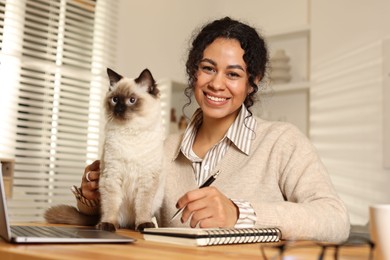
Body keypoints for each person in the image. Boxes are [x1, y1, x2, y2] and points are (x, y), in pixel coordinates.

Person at [75, 17, 350, 243]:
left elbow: (335, 219)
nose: (217, 84)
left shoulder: (282, 142)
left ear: (252, 82)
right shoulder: (163, 148)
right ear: (194, 73)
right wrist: (93, 200)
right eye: (208, 68)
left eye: (233, 74)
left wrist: (238, 214)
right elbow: (130, 220)